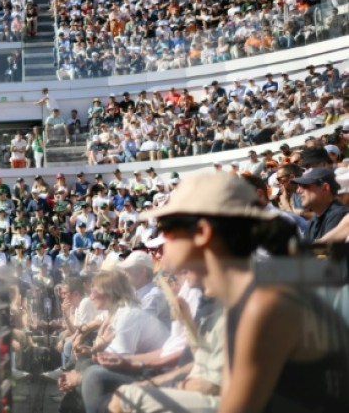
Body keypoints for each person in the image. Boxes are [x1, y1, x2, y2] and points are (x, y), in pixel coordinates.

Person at [143, 172, 349, 413]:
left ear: (203, 233)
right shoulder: (245, 298)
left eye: (167, 226)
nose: (160, 237)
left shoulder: (261, 304)